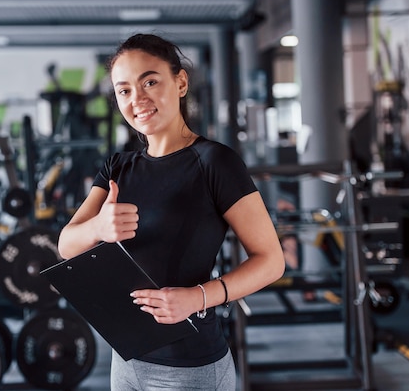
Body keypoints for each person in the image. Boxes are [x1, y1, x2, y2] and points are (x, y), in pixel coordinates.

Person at [57, 33, 285, 391]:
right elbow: (67, 246)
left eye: (150, 81)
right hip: (126, 360)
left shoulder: (215, 162)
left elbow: (271, 260)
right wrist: (98, 227)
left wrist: (198, 297)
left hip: (189, 367)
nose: (138, 99)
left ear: (180, 82)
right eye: (124, 90)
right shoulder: (118, 167)